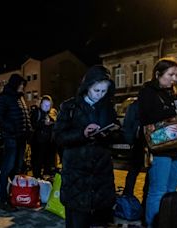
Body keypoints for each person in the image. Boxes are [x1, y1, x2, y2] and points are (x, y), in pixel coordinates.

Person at [53, 66, 119, 227]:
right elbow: (58, 137)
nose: (100, 95)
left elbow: (116, 132)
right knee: (76, 220)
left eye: (104, 91)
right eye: (97, 90)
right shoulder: (70, 107)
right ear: (87, 86)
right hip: (77, 175)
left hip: (101, 175)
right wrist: (82, 134)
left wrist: (111, 133)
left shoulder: (108, 106)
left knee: (99, 221)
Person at [138, 57, 177, 227]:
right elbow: (148, 116)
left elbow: (175, 121)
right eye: (171, 74)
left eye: (176, 75)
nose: (174, 79)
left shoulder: (171, 93)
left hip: (176, 148)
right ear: (158, 74)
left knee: (171, 192)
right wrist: (175, 110)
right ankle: (152, 224)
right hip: (159, 148)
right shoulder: (147, 91)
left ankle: (166, 222)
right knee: (158, 192)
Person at [0, 73, 32, 212]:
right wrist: (11, 128)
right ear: (15, 84)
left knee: (17, 169)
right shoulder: (4, 98)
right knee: (7, 169)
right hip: (11, 139)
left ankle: (13, 196)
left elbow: (24, 116)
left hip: (21, 138)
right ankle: (3, 200)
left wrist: (28, 130)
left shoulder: (20, 97)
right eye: (20, 84)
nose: (22, 87)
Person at [29, 95, 58, 178]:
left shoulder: (53, 113)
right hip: (38, 143)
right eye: (45, 105)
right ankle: (37, 178)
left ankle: (47, 178)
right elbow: (32, 124)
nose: (46, 107)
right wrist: (43, 123)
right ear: (41, 104)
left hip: (50, 143)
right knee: (37, 162)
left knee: (48, 164)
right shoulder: (36, 112)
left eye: (48, 105)